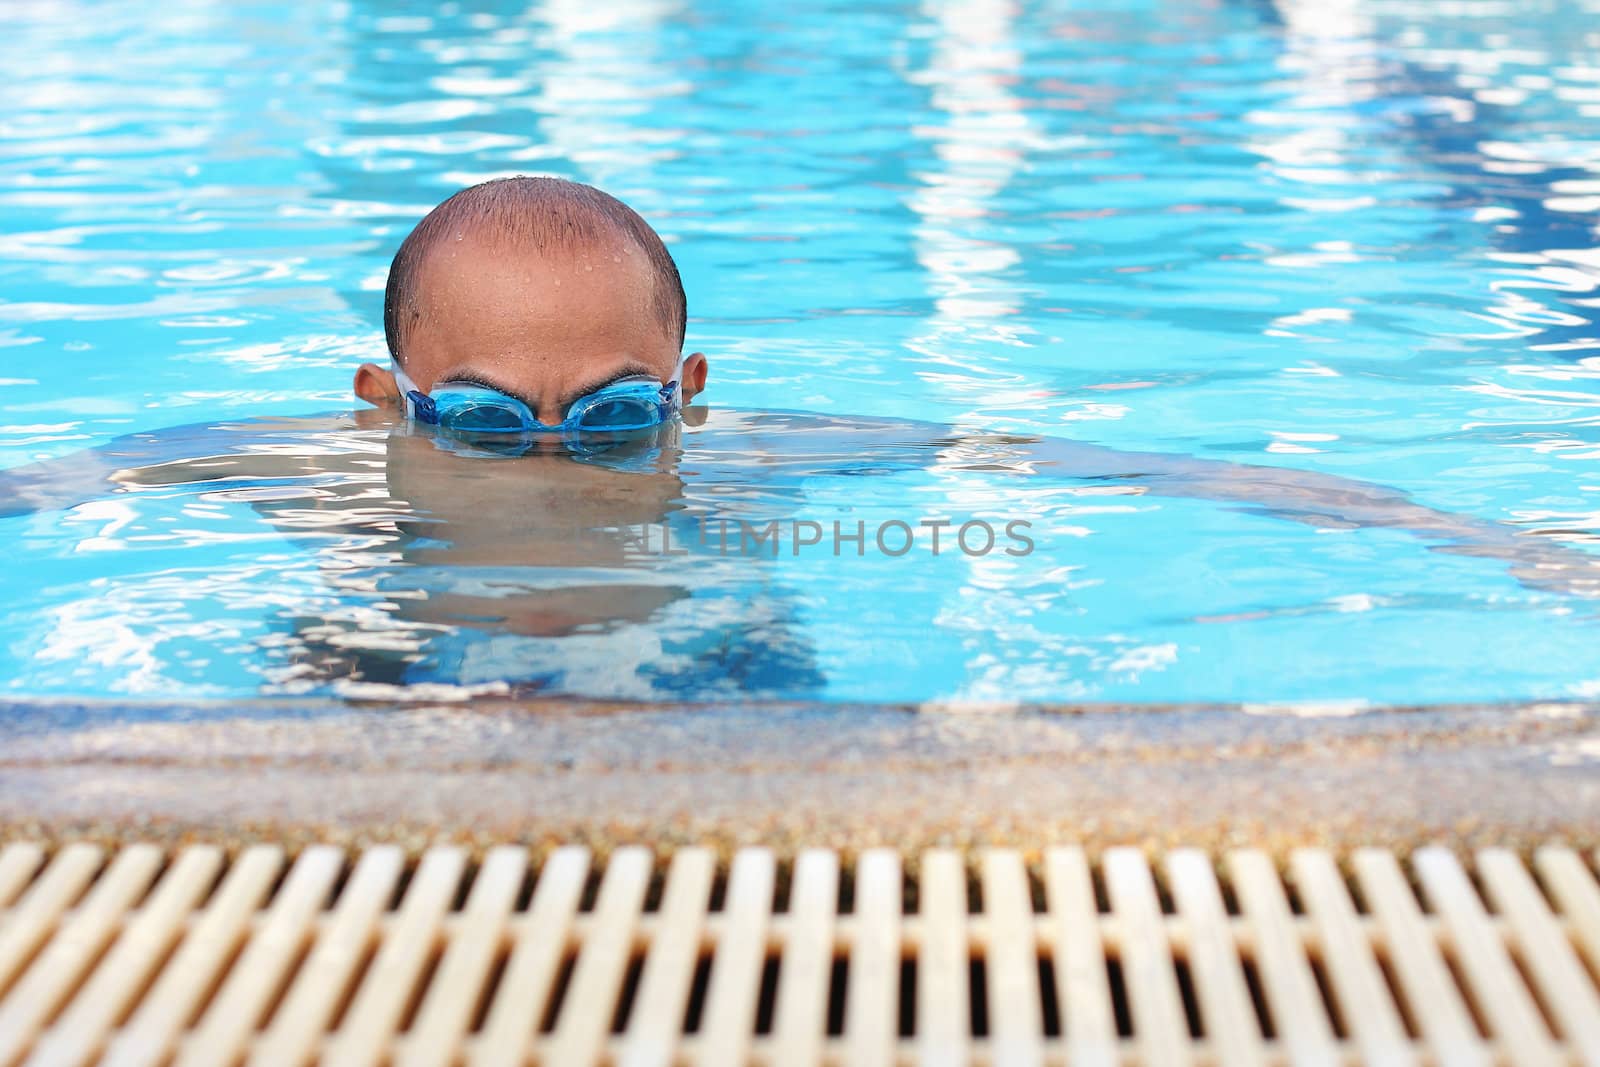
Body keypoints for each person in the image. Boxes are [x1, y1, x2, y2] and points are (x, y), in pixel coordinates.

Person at [3, 175, 1599, 698]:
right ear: (387, 405)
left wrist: (1489, 544)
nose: (559, 458)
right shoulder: (305, 469)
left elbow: (1144, 471)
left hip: (707, 674)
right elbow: (45, 487)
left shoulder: (768, 461)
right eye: (489, 424)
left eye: (618, 418)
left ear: (689, 399)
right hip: (391, 670)